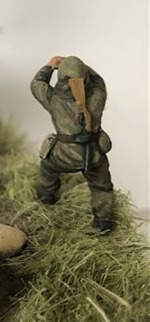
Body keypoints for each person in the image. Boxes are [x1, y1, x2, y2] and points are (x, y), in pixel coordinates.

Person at [30, 55, 114, 233]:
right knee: (102, 186)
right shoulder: (98, 96)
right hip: (94, 155)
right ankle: (103, 222)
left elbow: (36, 84)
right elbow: (98, 80)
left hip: (63, 156)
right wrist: (82, 67)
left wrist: (50, 65)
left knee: (47, 166)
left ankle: (46, 198)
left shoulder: (54, 98)